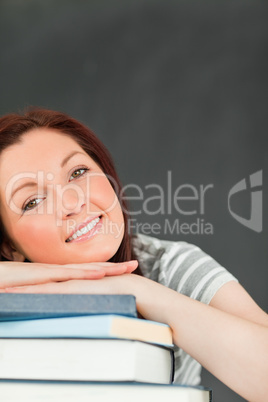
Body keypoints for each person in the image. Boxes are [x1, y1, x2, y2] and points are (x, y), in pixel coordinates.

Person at [0, 108, 267, 401]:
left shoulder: (167, 267)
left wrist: (133, 288)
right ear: (8, 247)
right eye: (33, 201)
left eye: (78, 173)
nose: (72, 203)